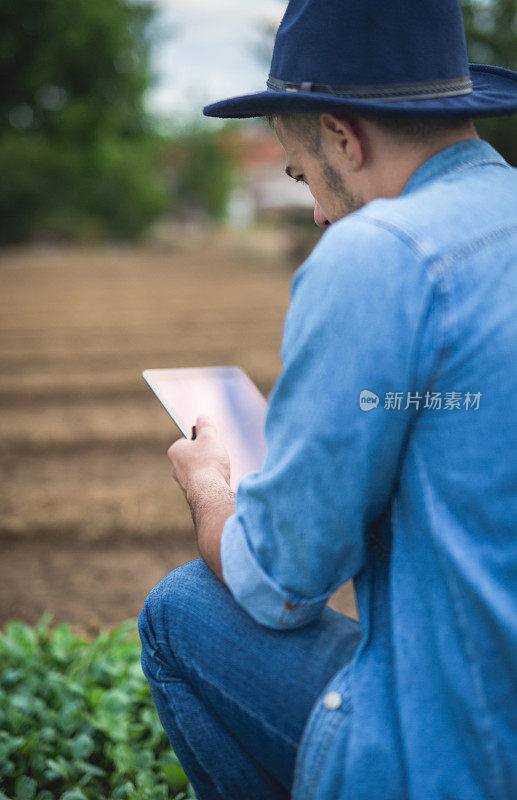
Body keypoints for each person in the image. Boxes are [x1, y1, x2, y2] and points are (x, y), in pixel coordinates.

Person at [139, 1, 517, 798]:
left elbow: (283, 585)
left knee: (177, 610)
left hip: (466, 756)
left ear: (344, 137)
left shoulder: (377, 255)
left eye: (301, 172)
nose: (314, 206)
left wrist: (211, 488)